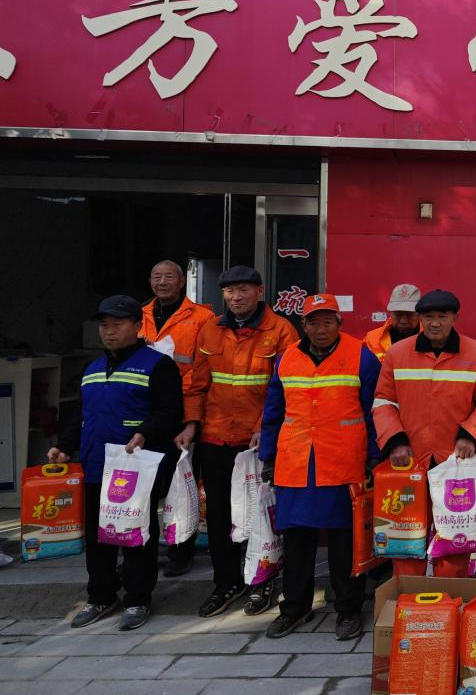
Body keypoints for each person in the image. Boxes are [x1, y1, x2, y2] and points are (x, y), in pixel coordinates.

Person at [50, 296, 183, 631]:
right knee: (98, 537)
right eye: (104, 326)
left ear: (137, 326)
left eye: (117, 325)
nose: (109, 332)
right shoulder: (93, 368)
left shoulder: (157, 365)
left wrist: (144, 432)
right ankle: (101, 595)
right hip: (96, 462)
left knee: (134, 534)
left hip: (133, 466)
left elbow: (170, 411)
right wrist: (65, 446)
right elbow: (82, 414)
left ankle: (137, 599)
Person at [259, 294, 380, 639]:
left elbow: (376, 408)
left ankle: (348, 609)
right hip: (296, 462)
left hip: (344, 462)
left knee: (345, 541)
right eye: (314, 322)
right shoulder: (287, 358)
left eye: (328, 321)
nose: (321, 329)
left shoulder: (361, 356)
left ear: (339, 323)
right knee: (297, 539)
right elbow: (273, 410)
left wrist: (375, 455)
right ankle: (295, 608)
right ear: (303, 325)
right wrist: (268, 455)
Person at [182, 266, 298, 618]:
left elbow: (287, 387)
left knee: (261, 515)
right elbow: (197, 384)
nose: (236, 297)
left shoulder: (281, 330)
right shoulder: (209, 329)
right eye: (230, 291)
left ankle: (263, 580)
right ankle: (227, 583)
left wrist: (266, 428)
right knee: (219, 516)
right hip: (215, 438)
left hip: (258, 442)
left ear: (259, 291)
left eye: (244, 289)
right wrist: (191, 424)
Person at [372, 289, 476, 575]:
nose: (435, 323)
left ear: (454, 318)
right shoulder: (398, 353)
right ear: (419, 319)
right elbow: (383, 402)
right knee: (406, 536)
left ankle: (450, 595)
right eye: (428, 317)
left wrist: (471, 435)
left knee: (455, 538)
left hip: (457, 461)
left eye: (442, 316)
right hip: (409, 459)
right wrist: (395, 441)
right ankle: (407, 595)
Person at [138, 259, 214, 577]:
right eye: (156, 276)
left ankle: (181, 550)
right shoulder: (139, 315)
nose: (162, 281)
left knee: (179, 483)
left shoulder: (202, 317)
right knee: (143, 484)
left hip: (182, 406)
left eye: (169, 276)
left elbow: (203, 367)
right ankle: (142, 548)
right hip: (145, 409)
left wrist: (191, 417)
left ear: (182, 281)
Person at [363, 283, 421, 361]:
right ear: (390, 313)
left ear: (419, 314)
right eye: (398, 314)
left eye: (409, 314)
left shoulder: (432, 339)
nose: (403, 321)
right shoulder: (372, 340)